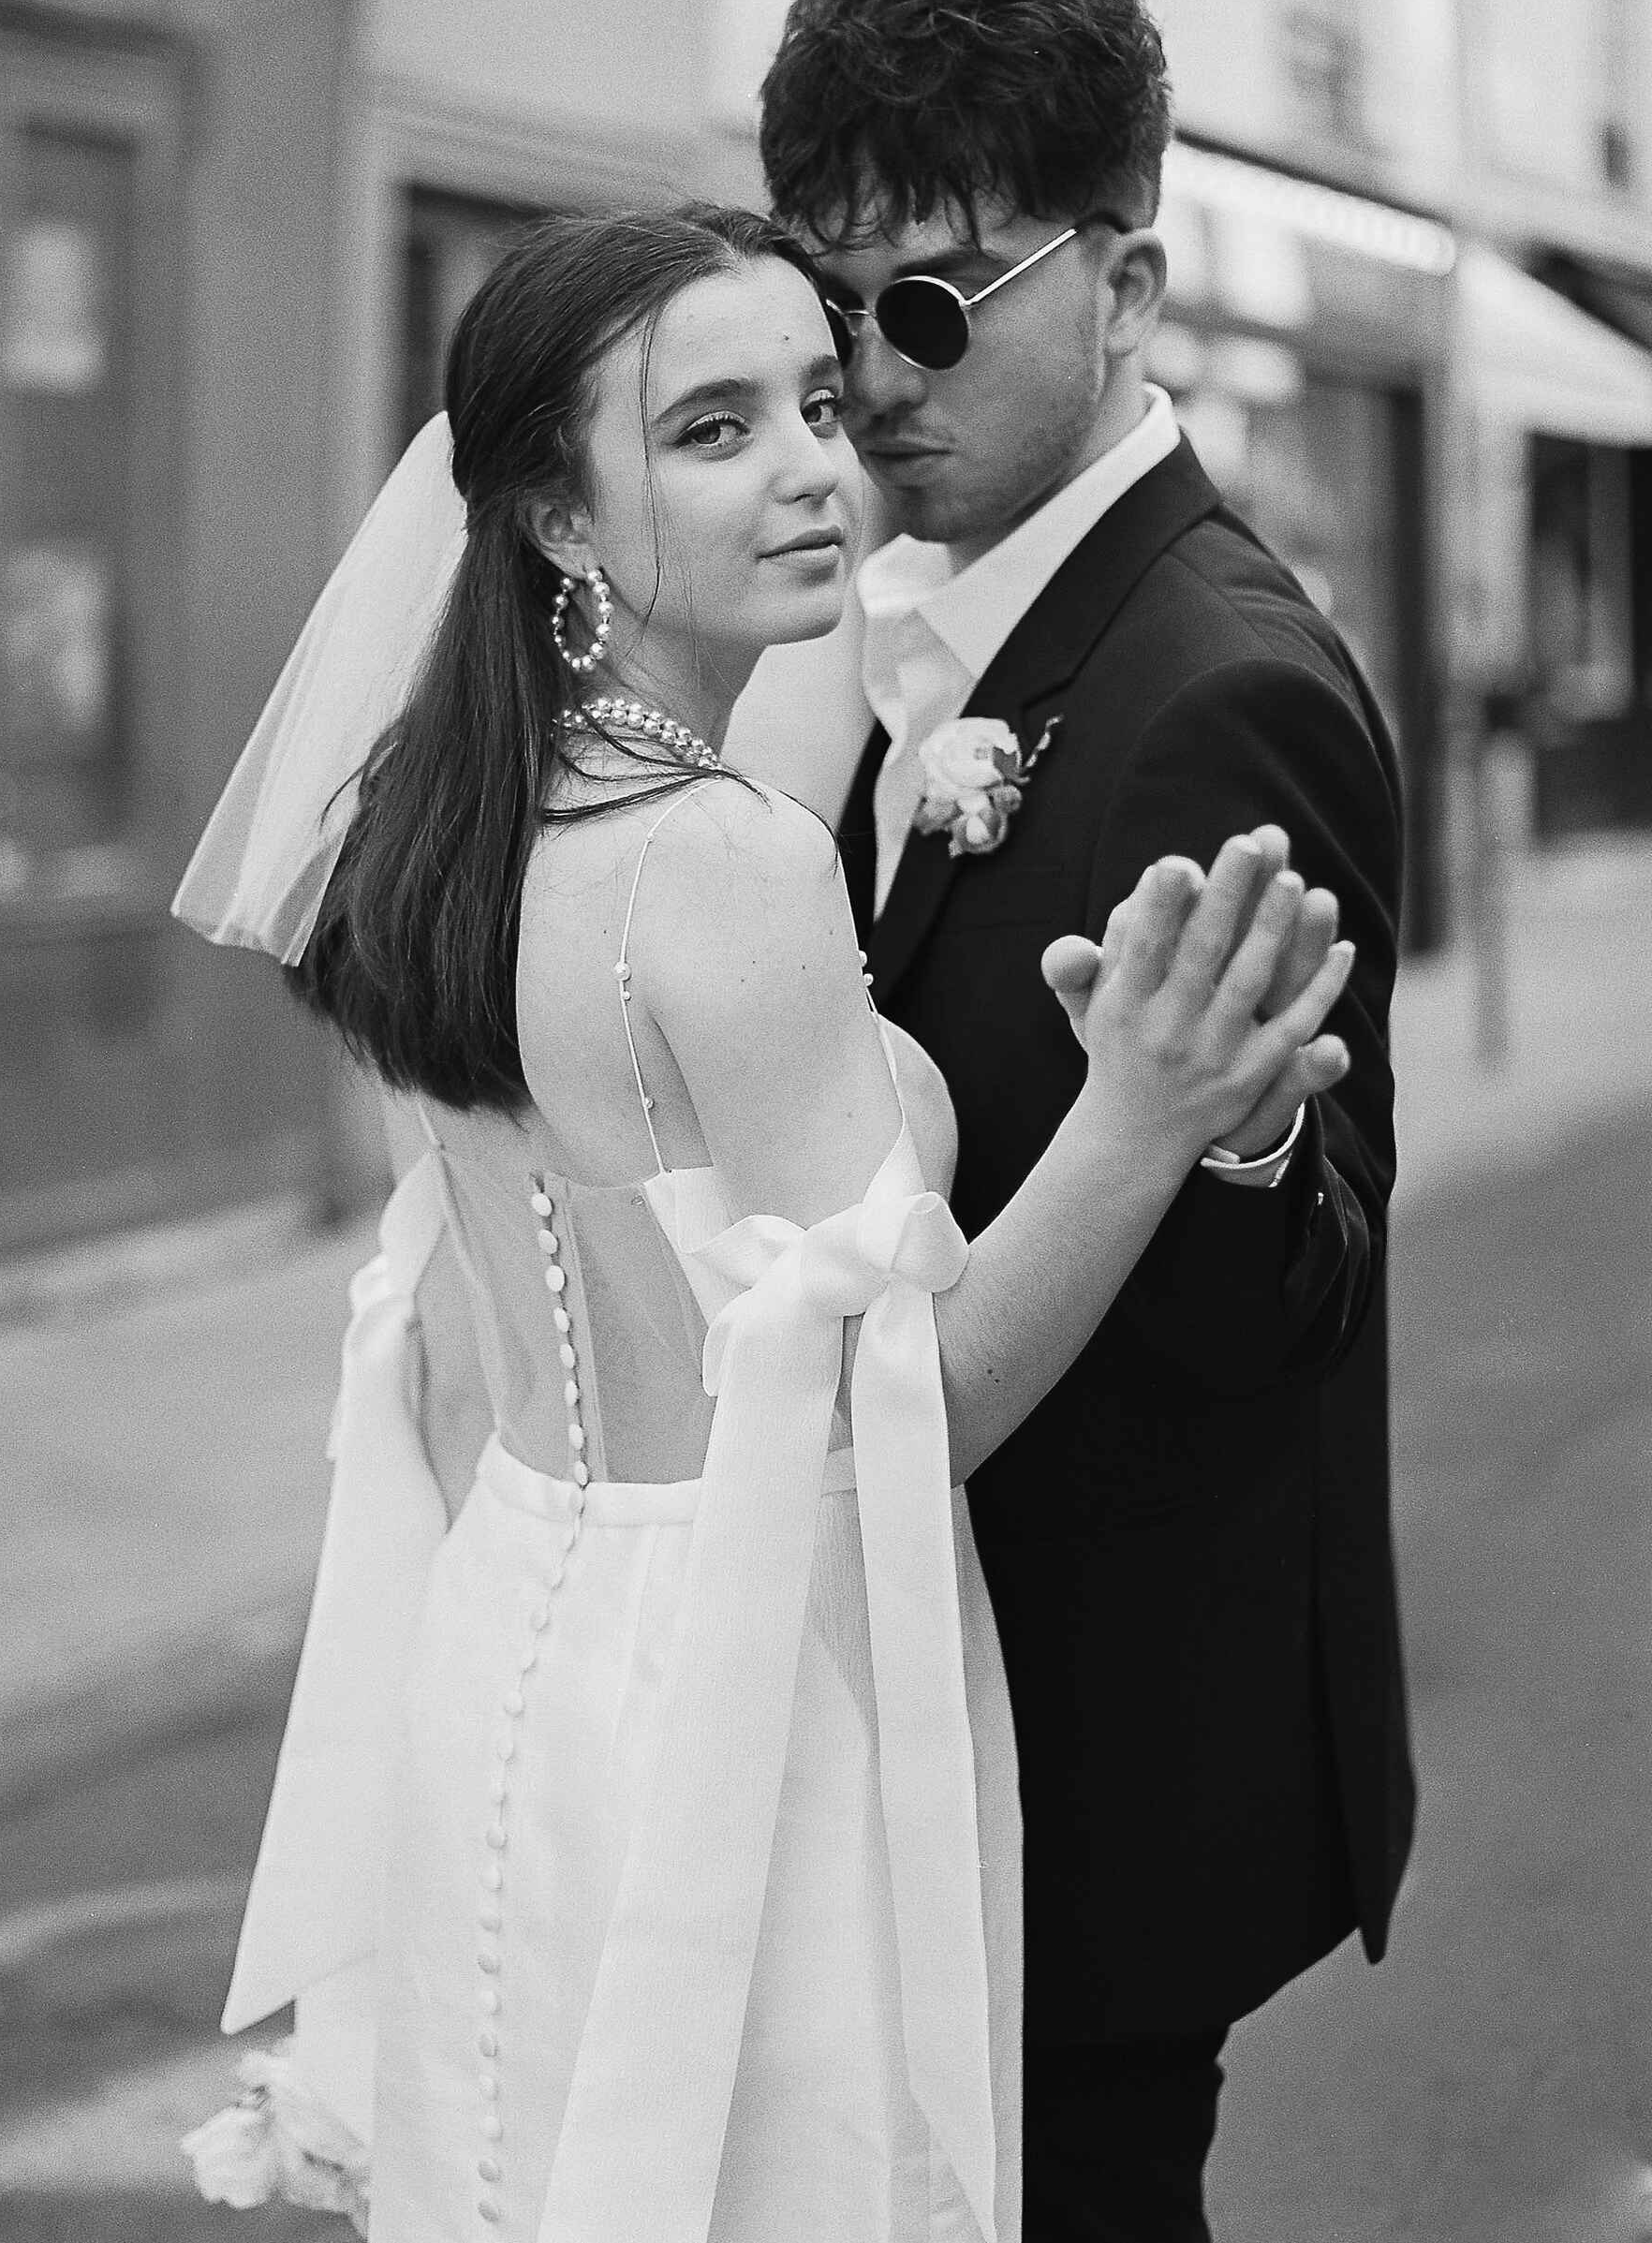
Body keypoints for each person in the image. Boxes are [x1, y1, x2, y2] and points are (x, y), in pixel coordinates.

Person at [174, 201, 1356, 2242]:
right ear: (555, 517)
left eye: (815, 400)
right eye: (710, 429)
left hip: (511, 1656)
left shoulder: (426, 827)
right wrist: (1144, 1114)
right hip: (741, 1699)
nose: (816, 463)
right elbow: (902, 1414)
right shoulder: (718, 862)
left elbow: (453, 1356)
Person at [730, 0, 1417, 2240]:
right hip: (892, 1713)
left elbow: (1309, 1282)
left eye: (930, 304)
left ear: (1125, 287)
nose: (865, 379)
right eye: (828, 308)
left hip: (1092, 1763)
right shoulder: (877, 626)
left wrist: (1224, 1126)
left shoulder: (1219, 686)